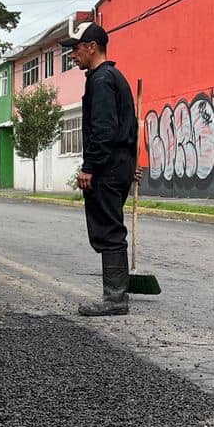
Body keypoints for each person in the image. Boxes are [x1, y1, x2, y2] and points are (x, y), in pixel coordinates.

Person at [63, 22, 138, 316]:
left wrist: (89, 167)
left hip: (107, 167)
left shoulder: (102, 79)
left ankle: (115, 299)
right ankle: (116, 295)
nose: (72, 55)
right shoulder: (112, 77)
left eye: (76, 48)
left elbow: (104, 130)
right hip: (118, 164)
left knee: (108, 228)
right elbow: (126, 126)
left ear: (92, 46)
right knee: (110, 226)